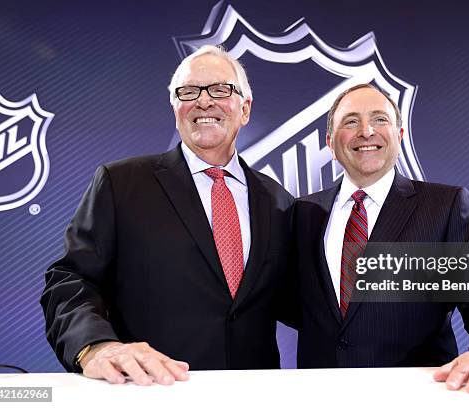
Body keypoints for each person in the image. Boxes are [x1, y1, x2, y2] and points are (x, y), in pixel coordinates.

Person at [40, 45, 294, 385]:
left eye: (220, 89)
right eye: (188, 92)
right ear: (175, 107)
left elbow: (310, 300)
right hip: (153, 391)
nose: (204, 101)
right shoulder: (121, 184)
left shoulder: (278, 200)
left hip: (257, 394)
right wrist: (96, 346)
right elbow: (70, 280)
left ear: (245, 109)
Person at [292, 83, 469, 393]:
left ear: (399, 136)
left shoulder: (443, 207)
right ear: (331, 143)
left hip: (418, 394)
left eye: (380, 119)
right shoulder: (301, 213)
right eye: (351, 121)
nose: (366, 131)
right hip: (320, 396)